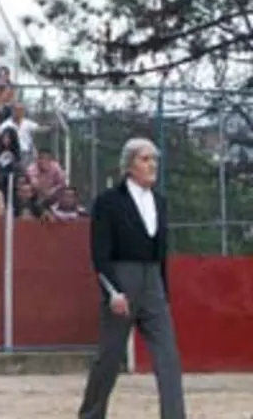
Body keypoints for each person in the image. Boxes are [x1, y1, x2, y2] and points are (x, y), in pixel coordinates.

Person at [78, 137, 185, 419]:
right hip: (122, 280)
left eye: (154, 160)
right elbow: (99, 253)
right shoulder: (108, 202)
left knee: (168, 358)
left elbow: (161, 253)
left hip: (153, 284)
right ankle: (91, 415)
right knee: (110, 358)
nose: (152, 165)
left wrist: (164, 292)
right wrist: (113, 291)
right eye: (145, 159)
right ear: (129, 166)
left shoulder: (161, 203)